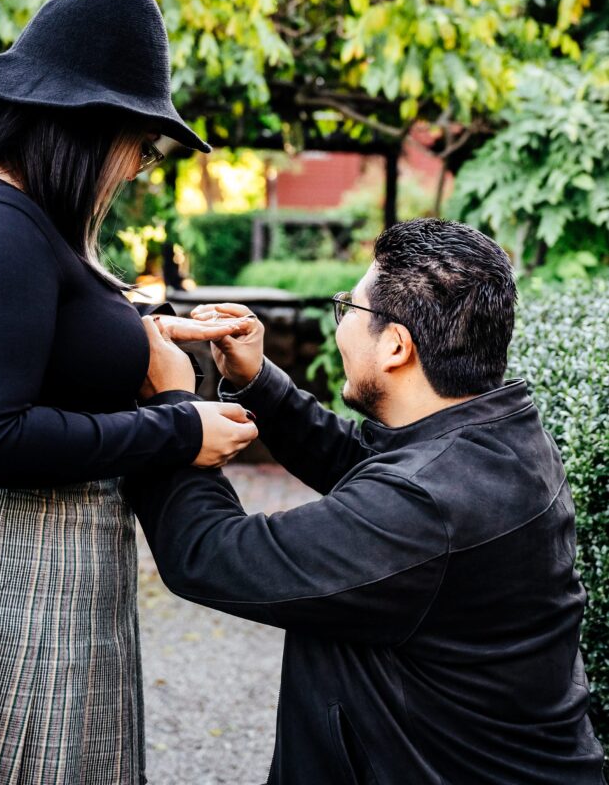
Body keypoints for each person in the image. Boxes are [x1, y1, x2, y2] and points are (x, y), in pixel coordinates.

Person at [128, 218, 607, 785]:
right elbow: (365, 466)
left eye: (347, 310)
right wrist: (257, 380)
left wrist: (174, 410)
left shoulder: (432, 502)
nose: (340, 328)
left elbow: (210, 554)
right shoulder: (495, 439)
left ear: (397, 345)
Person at [0, 0, 258, 785]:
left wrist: (145, 330)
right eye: (139, 148)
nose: (135, 168)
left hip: (39, 571)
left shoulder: (16, 221)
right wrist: (179, 428)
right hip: (14, 580)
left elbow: (38, 346)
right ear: (85, 124)